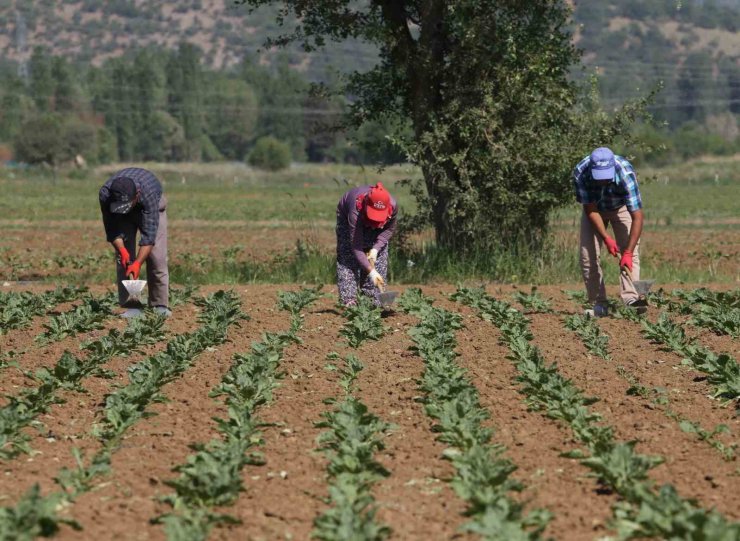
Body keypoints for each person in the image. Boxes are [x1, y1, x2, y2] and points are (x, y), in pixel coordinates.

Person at [573, 147, 646, 317]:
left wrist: (626, 252)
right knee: (588, 256)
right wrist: (606, 238)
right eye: (599, 177)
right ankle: (599, 303)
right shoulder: (580, 173)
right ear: (591, 169)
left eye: (606, 177)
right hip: (595, 210)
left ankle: (632, 299)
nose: (603, 182)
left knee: (631, 254)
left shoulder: (626, 173)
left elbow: (637, 217)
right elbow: (590, 209)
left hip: (621, 208)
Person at [99, 167, 170, 316]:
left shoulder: (148, 193)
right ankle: (132, 306)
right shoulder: (105, 194)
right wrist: (123, 251)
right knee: (124, 262)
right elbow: (112, 228)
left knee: (157, 258)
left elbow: (149, 237)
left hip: (152, 206)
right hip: (122, 216)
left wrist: (138, 263)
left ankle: (160, 305)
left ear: (136, 195)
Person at [336, 182, 397, 307]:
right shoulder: (355, 210)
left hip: (377, 220)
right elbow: (356, 246)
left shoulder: (393, 206)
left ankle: (372, 300)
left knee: (379, 258)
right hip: (350, 217)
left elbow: (388, 230)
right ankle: (349, 301)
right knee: (348, 258)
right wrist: (371, 271)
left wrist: (375, 249)